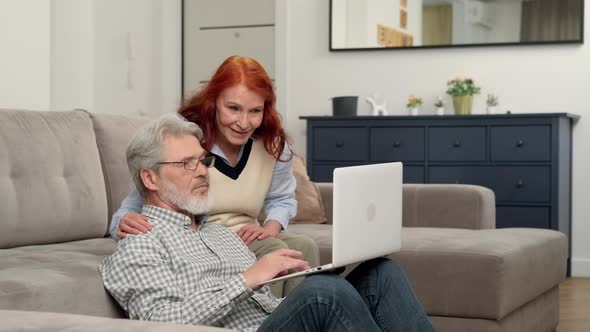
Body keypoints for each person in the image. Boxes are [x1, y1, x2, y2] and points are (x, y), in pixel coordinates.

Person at [99, 114, 435, 332]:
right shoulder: (140, 243)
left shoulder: (218, 232)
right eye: (187, 164)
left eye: (202, 160)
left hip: (268, 323)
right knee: (323, 294)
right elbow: (160, 323)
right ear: (150, 178)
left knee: (380, 273)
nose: (203, 171)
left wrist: (302, 284)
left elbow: (265, 307)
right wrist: (248, 278)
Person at [109, 55, 319, 297]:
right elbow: (142, 199)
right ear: (213, 102)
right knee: (276, 250)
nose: (243, 122)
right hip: (203, 240)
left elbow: (282, 199)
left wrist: (271, 227)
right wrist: (123, 223)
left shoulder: (273, 145)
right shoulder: (187, 141)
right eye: (233, 109)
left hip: (249, 234)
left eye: (255, 111)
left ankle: (300, 318)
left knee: (305, 246)